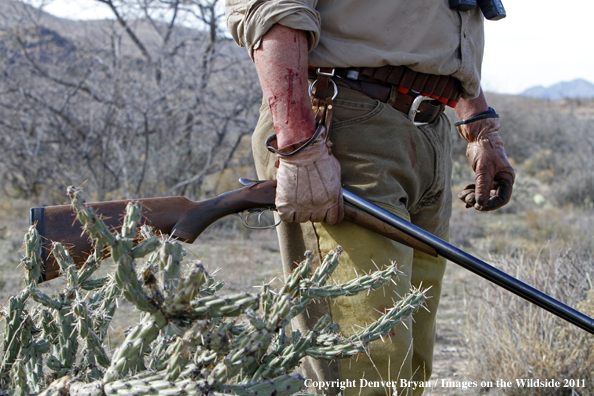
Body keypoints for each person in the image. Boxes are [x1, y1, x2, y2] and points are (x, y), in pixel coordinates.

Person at [225, 1, 515, 395]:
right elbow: (275, 9)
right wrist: (300, 147)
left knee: (410, 365)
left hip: (430, 128)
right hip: (340, 122)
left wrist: (481, 127)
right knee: (366, 370)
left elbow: (440, 33)